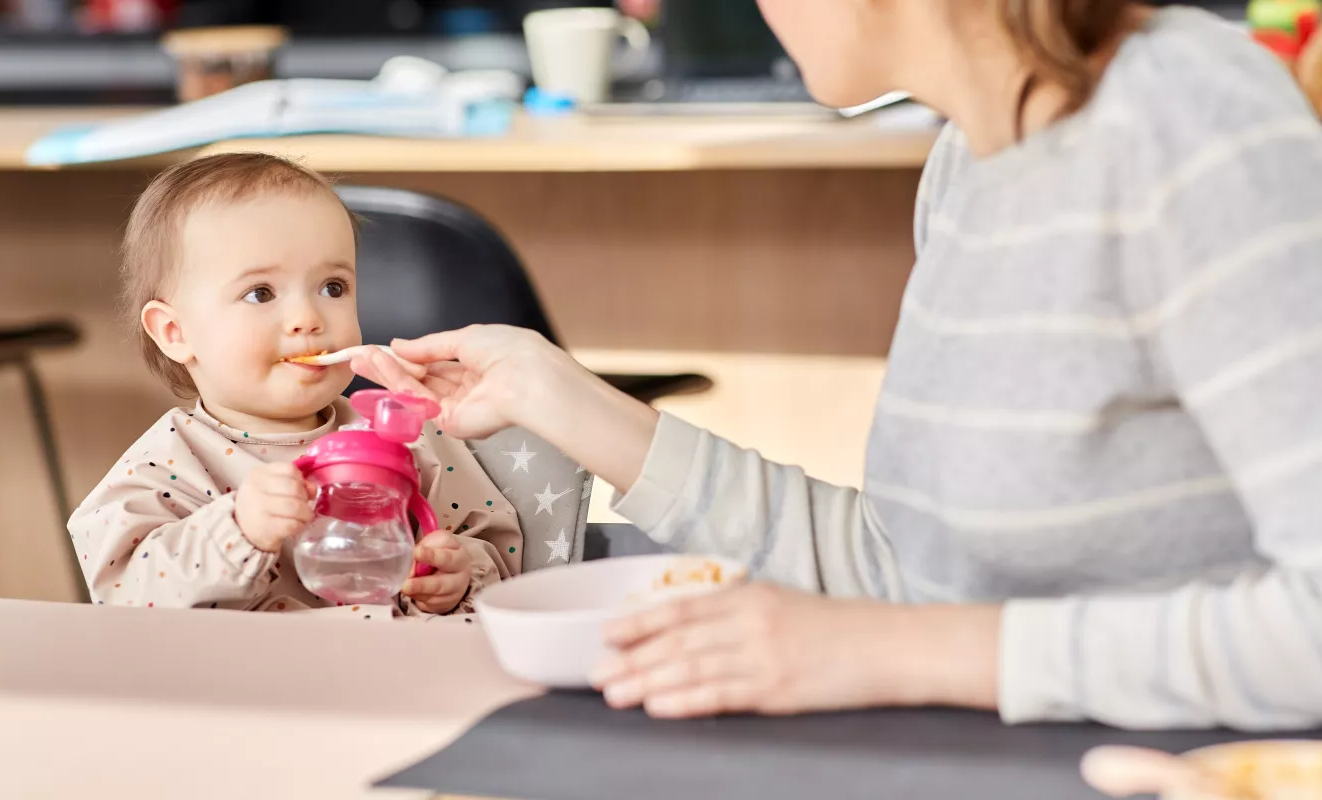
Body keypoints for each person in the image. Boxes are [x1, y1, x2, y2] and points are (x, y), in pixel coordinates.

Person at [354, 0, 1322, 730]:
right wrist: (554, 394)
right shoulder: (970, 162)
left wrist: (895, 652)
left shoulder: (1191, 116)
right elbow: (913, 573)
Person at [69, 153, 521, 616]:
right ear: (175, 333)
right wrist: (237, 529)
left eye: (333, 287)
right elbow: (124, 597)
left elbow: (499, 553)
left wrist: (459, 574)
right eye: (260, 293)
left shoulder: (407, 435)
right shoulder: (164, 469)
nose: (308, 319)